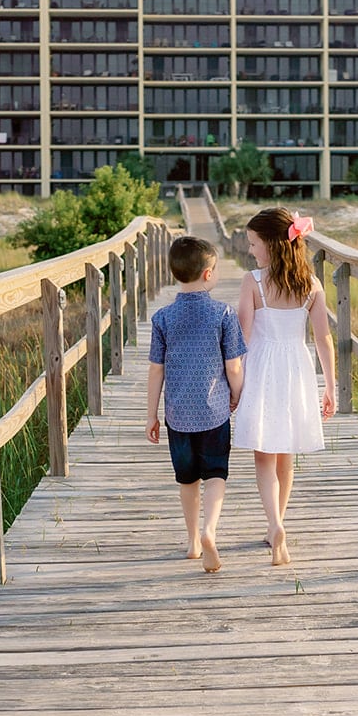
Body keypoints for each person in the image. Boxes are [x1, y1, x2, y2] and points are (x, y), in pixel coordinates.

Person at [231, 208, 334, 566]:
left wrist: (234, 385)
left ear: (273, 245)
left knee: (264, 453)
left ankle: (274, 524)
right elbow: (323, 339)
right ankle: (279, 523)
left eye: (254, 244)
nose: (251, 251)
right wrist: (331, 387)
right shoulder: (312, 285)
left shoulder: (253, 282)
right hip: (296, 370)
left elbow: (242, 339)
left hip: (261, 368)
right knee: (285, 452)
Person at [146, 235, 246, 573]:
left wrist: (151, 416)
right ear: (207, 274)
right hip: (215, 411)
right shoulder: (223, 314)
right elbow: (234, 365)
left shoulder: (162, 318)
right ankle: (209, 531)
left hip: (177, 415)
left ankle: (191, 542)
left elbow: (155, 371)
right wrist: (237, 394)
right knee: (216, 472)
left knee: (187, 478)